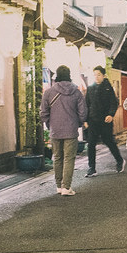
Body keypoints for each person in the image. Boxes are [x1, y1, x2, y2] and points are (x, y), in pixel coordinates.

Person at [40, 65, 87, 196]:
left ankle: (59, 186)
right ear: (69, 75)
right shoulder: (76, 92)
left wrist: (50, 124)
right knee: (69, 158)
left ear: (57, 76)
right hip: (71, 130)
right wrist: (77, 123)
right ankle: (67, 187)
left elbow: (43, 112)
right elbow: (83, 112)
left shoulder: (49, 92)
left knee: (58, 157)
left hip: (55, 130)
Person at [84, 65, 125, 177]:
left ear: (103, 75)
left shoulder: (108, 87)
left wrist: (111, 114)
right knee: (91, 143)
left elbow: (113, 102)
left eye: (99, 75)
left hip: (105, 120)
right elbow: (87, 104)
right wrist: (85, 119)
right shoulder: (90, 88)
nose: (96, 77)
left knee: (109, 141)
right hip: (93, 120)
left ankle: (119, 160)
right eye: (95, 75)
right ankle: (92, 167)